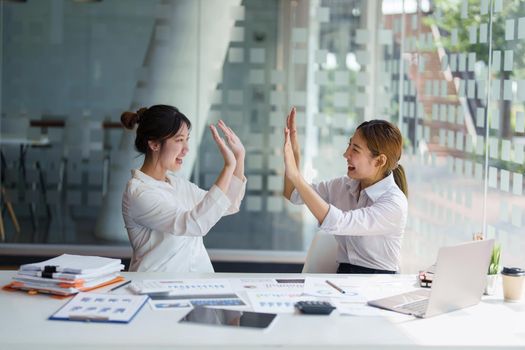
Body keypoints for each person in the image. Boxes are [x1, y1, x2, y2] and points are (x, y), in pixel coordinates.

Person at [121, 105, 246, 273]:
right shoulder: (139, 193)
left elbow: (226, 204)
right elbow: (194, 224)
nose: (186, 149)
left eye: (187, 139)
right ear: (154, 144)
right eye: (179, 140)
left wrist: (239, 158)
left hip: (196, 285)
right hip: (156, 288)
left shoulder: (177, 184)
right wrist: (228, 167)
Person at [283, 107, 408, 274]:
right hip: (343, 277)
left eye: (355, 150)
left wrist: (297, 177)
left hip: (379, 283)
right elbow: (293, 193)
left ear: (379, 161)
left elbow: (340, 222)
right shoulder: (344, 185)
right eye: (349, 145)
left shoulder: (394, 203)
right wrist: (295, 154)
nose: (346, 154)